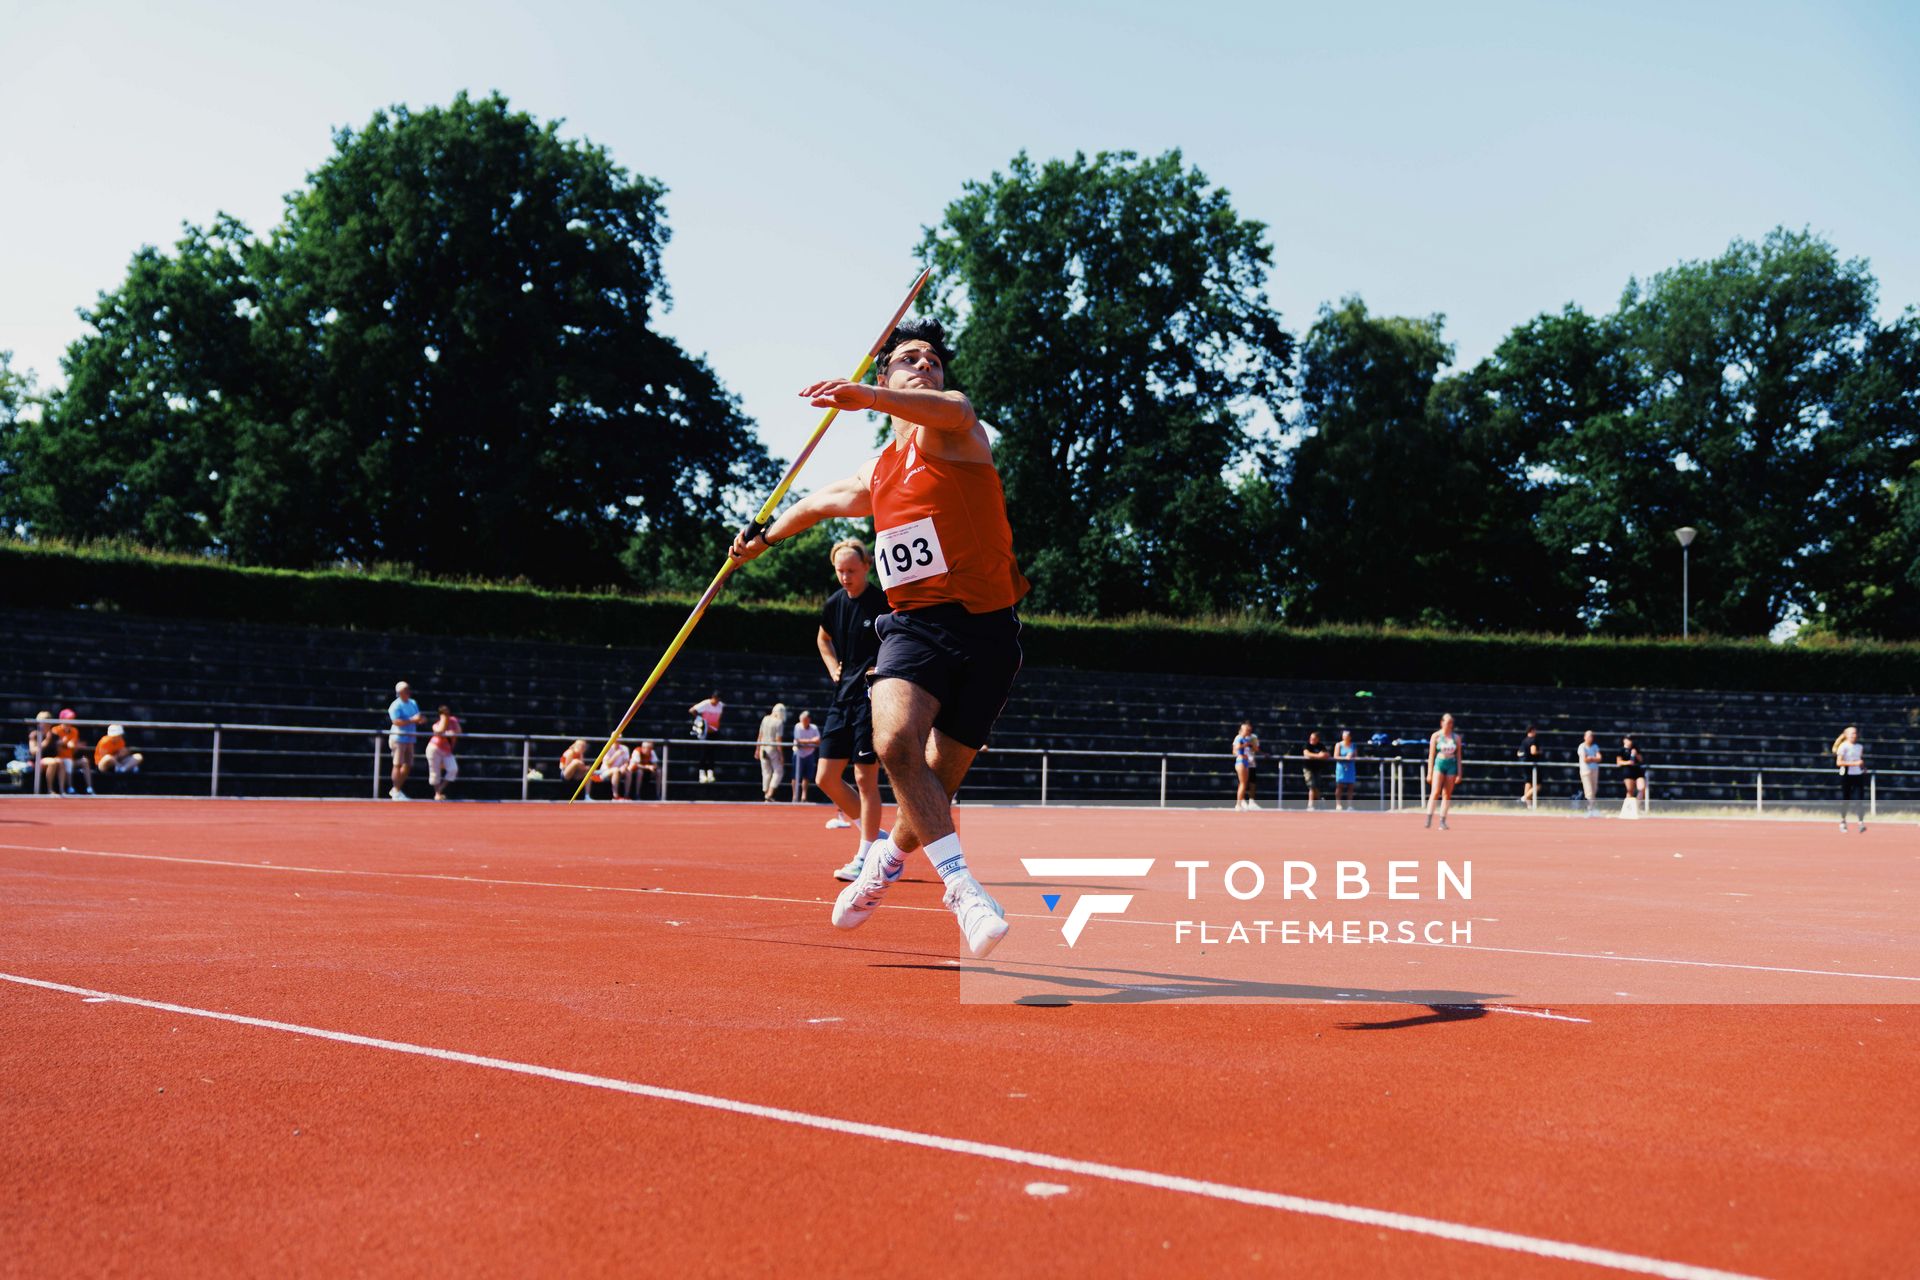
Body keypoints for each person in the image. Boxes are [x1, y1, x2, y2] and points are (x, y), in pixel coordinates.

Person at [729, 317, 1024, 957]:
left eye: (934, 361)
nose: (926, 366)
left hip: (989, 630)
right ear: (886, 371)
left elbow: (954, 407)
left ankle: (885, 860)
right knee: (893, 741)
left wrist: (867, 396)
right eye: (909, 359)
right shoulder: (879, 471)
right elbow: (818, 502)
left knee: (935, 787)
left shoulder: (957, 433)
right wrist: (763, 537)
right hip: (915, 625)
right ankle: (963, 891)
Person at [812, 538, 889, 875]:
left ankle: (866, 856)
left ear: (867, 567)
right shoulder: (833, 603)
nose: (845, 577)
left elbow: (905, 637)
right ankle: (875, 838)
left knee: (864, 778)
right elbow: (823, 638)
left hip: (871, 699)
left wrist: (886, 666)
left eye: (851, 571)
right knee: (825, 777)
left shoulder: (885, 603)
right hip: (842, 697)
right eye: (840, 571)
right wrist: (832, 669)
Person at [1424, 713, 1463, 830]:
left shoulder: (1456, 738)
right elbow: (1431, 755)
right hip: (1440, 763)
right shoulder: (1436, 736)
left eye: (1451, 723)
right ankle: (1429, 818)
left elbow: (1459, 756)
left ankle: (1442, 820)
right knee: (1435, 791)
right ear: (1442, 723)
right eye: (1447, 722)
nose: (1449, 725)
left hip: (1451, 764)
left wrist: (1459, 773)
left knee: (1447, 794)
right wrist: (1429, 772)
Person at [387, 681, 425, 801]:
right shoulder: (395, 706)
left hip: (410, 738)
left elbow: (417, 717)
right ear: (400, 692)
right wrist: (412, 720)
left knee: (408, 764)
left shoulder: (413, 703)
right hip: (398, 738)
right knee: (397, 764)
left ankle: (396, 789)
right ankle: (396, 790)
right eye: (406, 690)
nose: (409, 692)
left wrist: (420, 720)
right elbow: (396, 721)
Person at [1833, 726, 1867, 833]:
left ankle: (1861, 822)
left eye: (1855, 733)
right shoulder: (1843, 747)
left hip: (1858, 775)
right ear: (1846, 735)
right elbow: (1839, 763)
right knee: (1846, 799)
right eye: (1852, 733)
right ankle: (1843, 821)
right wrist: (1854, 764)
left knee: (1859, 799)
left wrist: (1863, 767)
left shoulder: (1859, 747)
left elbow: (1859, 761)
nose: (1854, 735)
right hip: (1846, 776)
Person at [54, 710, 95, 795]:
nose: (70, 721)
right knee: (67, 761)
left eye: (71, 719)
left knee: (84, 761)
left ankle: (89, 788)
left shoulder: (74, 731)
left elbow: (73, 747)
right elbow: (55, 748)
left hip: (71, 758)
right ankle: (70, 787)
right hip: (59, 759)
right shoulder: (55, 730)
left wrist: (76, 746)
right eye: (68, 719)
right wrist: (64, 743)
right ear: (62, 719)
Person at [427, 705, 462, 801]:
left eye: (447, 712)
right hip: (435, 748)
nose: (446, 715)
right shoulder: (436, 724)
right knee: (435, 772)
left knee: (453, 769)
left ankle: (440, 789)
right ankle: (437, 794)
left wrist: (451, 731)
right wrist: (443, 720)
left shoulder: (454, 721)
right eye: (443, 713)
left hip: (447, 751)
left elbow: (458, 731)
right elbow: (439, 730)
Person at [688, 693, 725, 784]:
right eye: (715, 699)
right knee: (704, 753)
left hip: (714, 732)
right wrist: (700, 719)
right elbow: (692, 710)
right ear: (712, 698)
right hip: (705, 733)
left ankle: (710, 773)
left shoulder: (720, 705)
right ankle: (702, 774)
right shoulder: (705, 704)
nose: (716, 701)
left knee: (711, 753)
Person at [756, 702, 788, 801]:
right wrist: (781, 755)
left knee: (766, 772)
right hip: (772, 748)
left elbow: (760, 735)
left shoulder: (765, 719)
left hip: (763, 748)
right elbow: (778, 740)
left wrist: (757, 749)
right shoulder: (778, 722)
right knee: (779, 771)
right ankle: (769, 793)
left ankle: (766, 793)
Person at [28, 712, 65, 795]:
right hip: (37, 760)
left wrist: (61, 745)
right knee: (53, 762)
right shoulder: (34, 735)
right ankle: (50, 789)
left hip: (51, 758)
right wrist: (46, 741)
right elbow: (33, 751)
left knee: (61, 762)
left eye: (47, 721)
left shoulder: (55, 735)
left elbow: (57, 752)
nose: (45, 724)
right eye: (43, 721)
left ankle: (62, 790)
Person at [790, 711, 820, 803]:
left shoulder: (814, 728)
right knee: (795, 776)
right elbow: (798, 740)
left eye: (805, 720)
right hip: (798, 754)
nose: (804, 722)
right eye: (802, 720)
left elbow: (818, 741)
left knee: (807, 776)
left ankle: (803, 797)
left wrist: (805, 742)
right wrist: (811, 741)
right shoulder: (797, 726)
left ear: (809, 720)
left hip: (809, 754)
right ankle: (794, 796)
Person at [1301, 731, 1332, 811]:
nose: (1311, 740)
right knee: (1312, 786)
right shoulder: (1307, 745)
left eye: (1313, 738)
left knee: (1317, 787)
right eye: (1311, 738)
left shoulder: (1321, 746)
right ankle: (1310, 805)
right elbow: (1306, 754)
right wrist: (1318, 756)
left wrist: (1322, 755)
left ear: (1317, 739)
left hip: (1317, 769)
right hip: (1308, 768)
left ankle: (1318, 803)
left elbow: (1327, 754)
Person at [1232, 722, 1260, 811]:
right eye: (1246, 730)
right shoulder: (1239, 738)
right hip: (1241, 762)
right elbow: (1236, 748)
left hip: (1246, 762)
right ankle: (1239, 804)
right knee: (1243, 783)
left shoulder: (1248, 739)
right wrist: (1245, 745)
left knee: (1244, 783)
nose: (1248, 732)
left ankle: (1241, 803)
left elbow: (1256, 749)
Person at [1616, 736, 1646, 817]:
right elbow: (1618, 762)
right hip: (1628, 772)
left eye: (1631, 739)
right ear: (1624, 740)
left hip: (1638, 771)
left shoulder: (1635, 748)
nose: (1630, 741)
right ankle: (1628, 810)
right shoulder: (1621, 750)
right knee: (1630, 791)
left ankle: (1636, 807)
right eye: (1628, 739)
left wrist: (1635, 754)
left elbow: (1641, 760)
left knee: (1642, 788)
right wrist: (1628, 762)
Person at [1516, 724, 1544, 809]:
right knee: (1538, 786)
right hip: (1532, 766)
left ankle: (1529, 806)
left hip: (1524, 765)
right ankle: (1524, 798)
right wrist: (1540, 752)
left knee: (1528, 783)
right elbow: (1533, 751)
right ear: (1532, 730)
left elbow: (1518, 753)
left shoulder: (1524, 741)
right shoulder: (1533, 740)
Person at [1576, 730, 1603, 816]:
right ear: (1585, 737)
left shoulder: (1595, 746)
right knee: (1589, 791)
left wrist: (1591, 758)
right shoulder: (1582, 746)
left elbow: (1599, 758)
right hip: (1585, 771)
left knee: (1594, 789)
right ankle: (1589, 809)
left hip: (1594, 770)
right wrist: (1593, 758)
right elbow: (1585, 759)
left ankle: (1592, 808)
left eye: (1591, 736)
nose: (1590, 738)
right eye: (1588, 736)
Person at [1333, 730, 1359, 811]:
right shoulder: (1338, 745)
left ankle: (1349, 805)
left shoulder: (1353, 745)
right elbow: (1335, 756)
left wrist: (1351, 756)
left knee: (1350, 787)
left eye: (1346, 736)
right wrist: (1345, 758)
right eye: (1343, 736)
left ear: (1350, 737)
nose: (1345, 738)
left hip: (1350, 768)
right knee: (1339, 786)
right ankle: (1338, 805)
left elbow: (1356, 756)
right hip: (1341, 768)